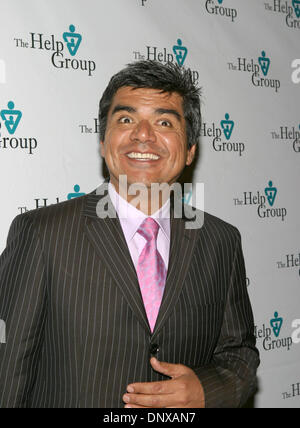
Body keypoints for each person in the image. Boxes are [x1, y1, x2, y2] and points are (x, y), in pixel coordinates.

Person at [0, 60, 259, 408]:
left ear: (190, 151)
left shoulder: (221, 240)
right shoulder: (42, 235)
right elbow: (8, 371)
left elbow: (239, 354)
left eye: (164, 122)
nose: (143, 134)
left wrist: (205, 390)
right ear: (104, 142)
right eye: (126, 119)